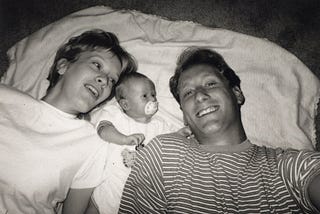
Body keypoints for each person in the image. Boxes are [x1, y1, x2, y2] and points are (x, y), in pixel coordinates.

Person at [119, 47, 320, 213]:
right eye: (188, 93)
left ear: (237, 94)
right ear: (184, 115)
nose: (199, 96)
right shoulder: (163, 152)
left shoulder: (288, 167)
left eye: (210, 83)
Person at [0, 29, 136, 214]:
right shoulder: (5, 96)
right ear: (63, 65)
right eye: (97, 65)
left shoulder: (92, 143)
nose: (104, 80)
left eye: (112, 80)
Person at [62, 72, 189, 214]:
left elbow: (172, 141)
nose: (152, 99)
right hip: (107, 189)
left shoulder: (160, 125)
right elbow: (103, 130)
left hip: (138, 198)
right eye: (145, 96)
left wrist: (181, 134)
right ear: (125, 104)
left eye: (153, 94)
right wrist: (123, 139)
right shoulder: (116, 115)